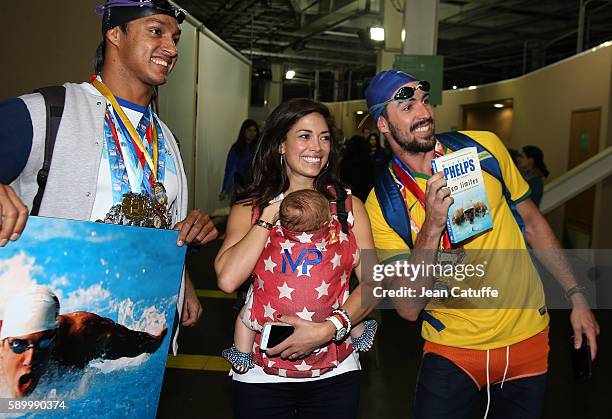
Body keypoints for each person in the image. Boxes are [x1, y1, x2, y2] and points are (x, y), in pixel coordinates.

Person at [363, 69, 599, 419]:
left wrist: (576, 294)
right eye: (408, 106)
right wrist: (432, 224)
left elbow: (533, 224)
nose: (425, 112)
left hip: (527, 340)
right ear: (382, 124)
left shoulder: (484, 147)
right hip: (452, 350)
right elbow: (408, 308)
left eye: (425, 101)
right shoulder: (383, 204)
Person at [0, 0, 218, 343]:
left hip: (139, 336)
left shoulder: (167, 139)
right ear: (115, 34)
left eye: (175, 38)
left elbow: (156, 224)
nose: (171, 48)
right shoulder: (49, 112)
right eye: (156, 32)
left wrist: (183, 278)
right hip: (47, 334)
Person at [214, 98, 377, 418]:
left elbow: (374, 284)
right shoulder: (251, 209)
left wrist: (329, 329)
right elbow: (228, 279)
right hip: (261, 377)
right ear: (279, 145)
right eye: (304, 136)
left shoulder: (348, 207)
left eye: (324, 137)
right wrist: (270, 215)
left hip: (335, 374)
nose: (317, 146)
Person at [221, 189, 377, 373]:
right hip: (328, 316)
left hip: (271, 317)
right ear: (327, 221)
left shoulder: (268, 242)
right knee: (342, 300)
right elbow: (228, 280)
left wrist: (268, 216)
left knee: (245, 318)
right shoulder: (340, 242)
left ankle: (242, 354)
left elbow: (374, 283)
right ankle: (360, 335)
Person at [0, 286, 167, 397]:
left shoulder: (84, 335)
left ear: (55, 339)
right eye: (18, 345)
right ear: (3, 344)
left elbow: (139, 345)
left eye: (43, 343)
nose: (30, 359)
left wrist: (154, 342)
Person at [220, 119, 260, 201]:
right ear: (244, 131)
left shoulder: (259, 148)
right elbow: (230, 169)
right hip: (239, 187)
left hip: (256, 187)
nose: (252, 133)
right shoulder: (236, 148)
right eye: (249, 130)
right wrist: (224, 190)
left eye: (254, 130)